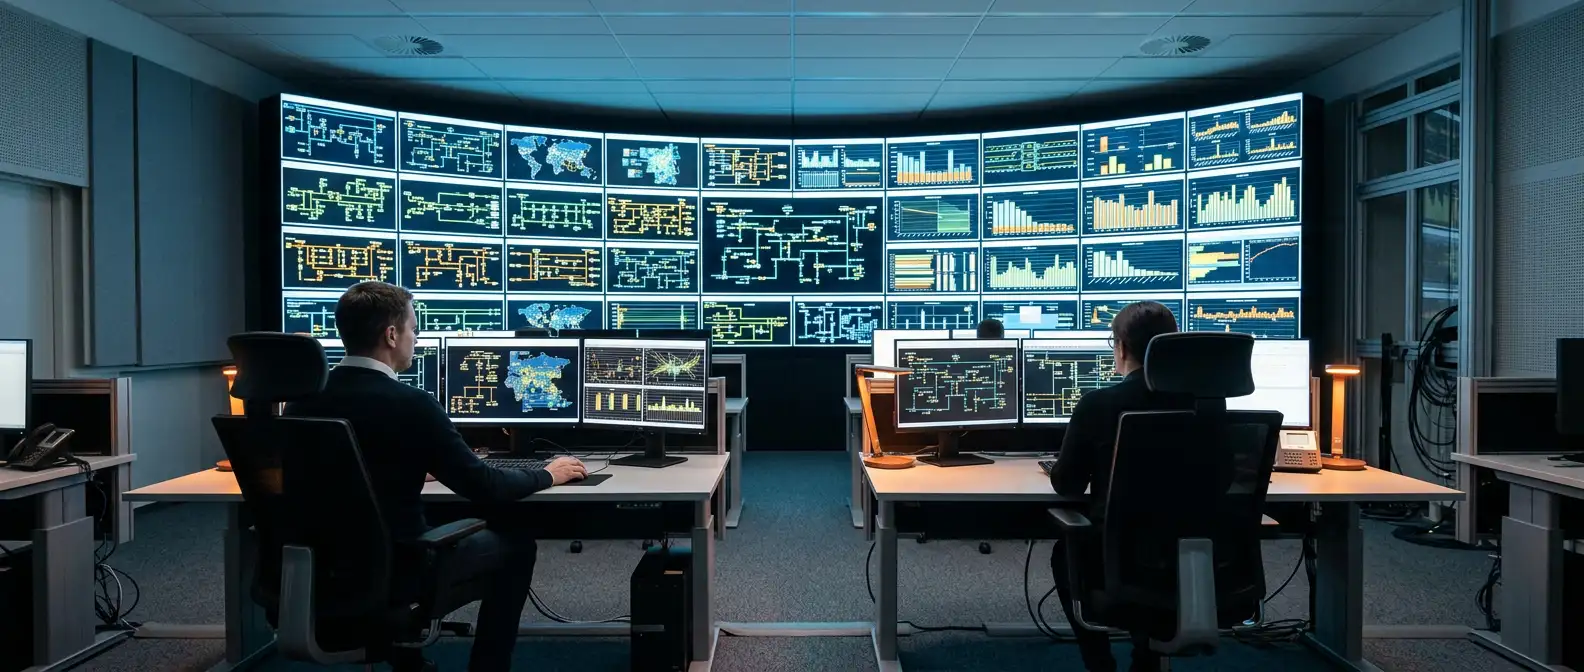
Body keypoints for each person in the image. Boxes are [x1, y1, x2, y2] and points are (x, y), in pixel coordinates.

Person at [286, 281, 586, 672]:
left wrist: (408, 465)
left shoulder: (301, 402)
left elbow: (343, 469)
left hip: (322, 569)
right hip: (399, 568)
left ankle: (405, 657)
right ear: (391, 335)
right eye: (413, 328)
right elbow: (485, 486)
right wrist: (548, 474)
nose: (416, 337)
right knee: (517, 546)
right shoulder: (411, 404)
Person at [1047, 301, 1193, 672]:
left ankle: (1100, 665)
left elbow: (1067, 483)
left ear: (1122, 347)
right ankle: (1149, 657)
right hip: (1194, 560)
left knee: (1064, 553)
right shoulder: (1204, 404)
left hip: (1117, 560)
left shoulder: (1099, 404)